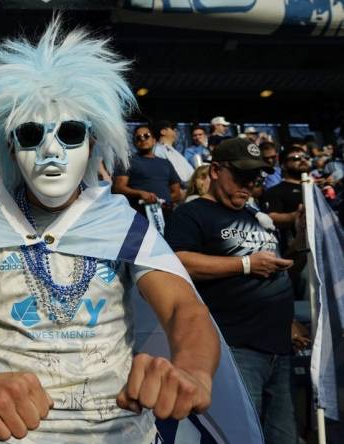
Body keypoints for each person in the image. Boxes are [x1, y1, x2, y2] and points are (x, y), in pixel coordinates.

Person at [0, 21, 220, 443]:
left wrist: (193, 370)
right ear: (10, 146)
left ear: (93, 143)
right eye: (31, 134)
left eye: (70, 133)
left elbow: (185, 309)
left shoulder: (122, 223)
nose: (51, 150)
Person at [164, 137, 298, 444]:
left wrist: (301, 240)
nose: (249, 184)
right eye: (241, 176)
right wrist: (246, 265)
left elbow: (277, 268)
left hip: (279, 349)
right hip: (235, 349)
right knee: (239, 436)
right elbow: (178, 261)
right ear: (214, 171)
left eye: (255, 177)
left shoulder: (256, 215)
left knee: (284, 437)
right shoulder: (192, 213)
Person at [113, 125, 183, 214]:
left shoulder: (166, 163)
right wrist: (140, 193)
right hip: (140, 216)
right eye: (138, 137)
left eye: (146, 136)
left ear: (154, 140)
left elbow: (177, 193)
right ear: (134, 143)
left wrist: (161, 202)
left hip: (166, 215)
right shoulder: (127, 161)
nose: (142, 139)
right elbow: (119, 188)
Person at [152, 120, 194, 186]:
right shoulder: (158, 150)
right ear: (163, 131)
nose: (175, 131)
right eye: (172, 129)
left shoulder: (173, 151)